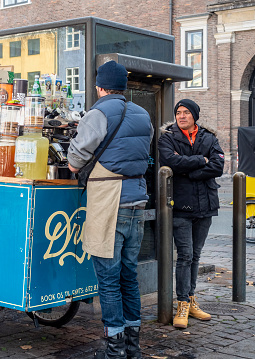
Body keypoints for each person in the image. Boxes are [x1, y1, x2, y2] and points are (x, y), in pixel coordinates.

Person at [68, 60, 152, 359]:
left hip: (108, 201)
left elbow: (75, 160)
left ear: (100, 86)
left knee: (108, 277)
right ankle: (133, 345)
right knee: (128, 275)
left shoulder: (97, 113)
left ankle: (114, 348)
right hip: (137, 201)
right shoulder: (143, 115)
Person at [158, 99, 224, 329]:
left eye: (186, 112)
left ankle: (191, 298)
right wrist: (200, 161)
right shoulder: (167, 137)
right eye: (178, 112)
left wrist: (192, 173)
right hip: (181, 206)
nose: (182, 116)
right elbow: (171, 162)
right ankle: (182, 303)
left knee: (196, 255)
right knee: (185, 255)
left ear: (195, 115)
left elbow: (218, 166)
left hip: (205, 204)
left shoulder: (209, 137)